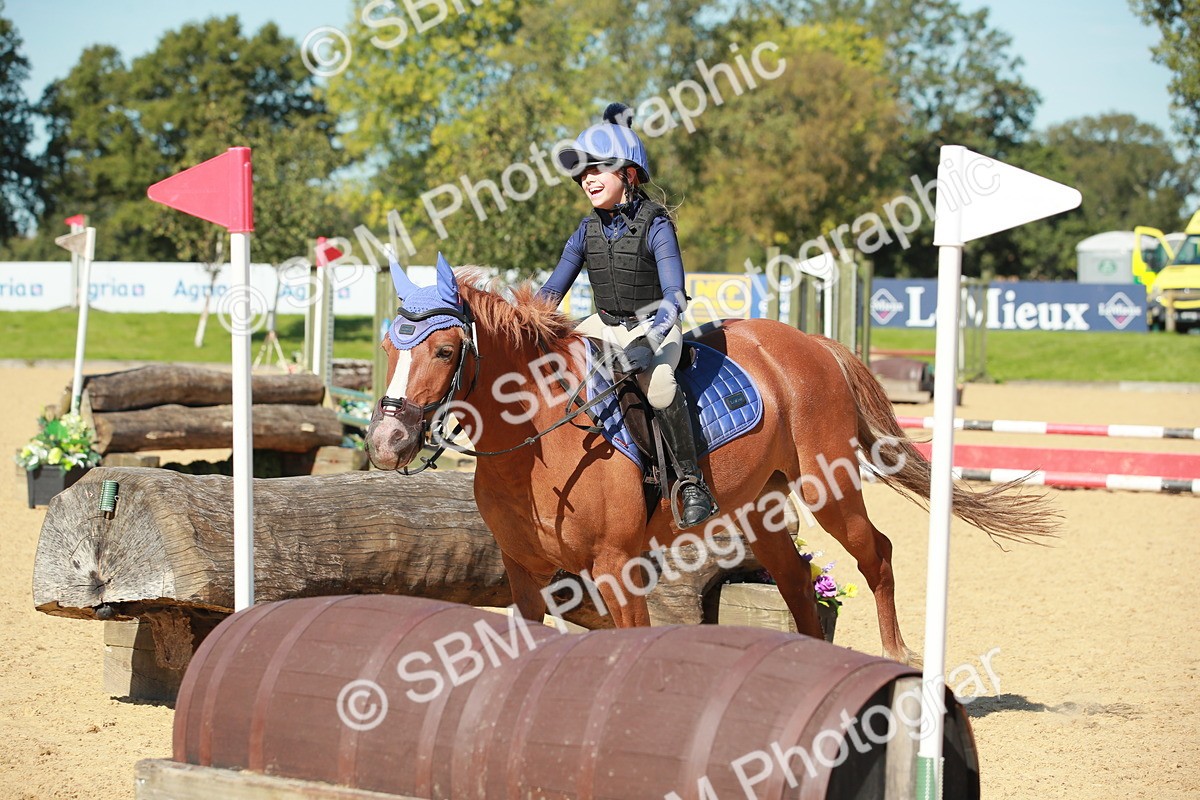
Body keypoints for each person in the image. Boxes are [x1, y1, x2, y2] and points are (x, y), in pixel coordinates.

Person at [537, 103, 717, 528]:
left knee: (657, 386)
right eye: (582, 173)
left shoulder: (657, 225)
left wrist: (650, 340)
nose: (587, 179)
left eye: (597, 169)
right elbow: (549, 293)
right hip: (603, 323)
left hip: (656, 324)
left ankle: (692, 483)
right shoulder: (585, 231)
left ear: (629, 175)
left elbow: (674, 296)